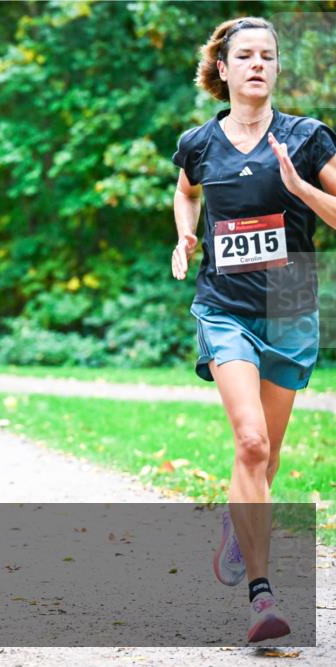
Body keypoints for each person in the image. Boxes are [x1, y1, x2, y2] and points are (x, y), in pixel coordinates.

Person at [171, 16, 336, 643]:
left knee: (266, 454)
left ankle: (237, 522)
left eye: (268, 54)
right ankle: (261, 598)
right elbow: (185, 191)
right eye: (245, 55)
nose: (258, 64)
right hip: (225, 302)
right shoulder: (199, 143)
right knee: (252, 442)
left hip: (290, 299)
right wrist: (185, 231)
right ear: (224, 68)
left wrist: (300, 187)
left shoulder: (308, 139)